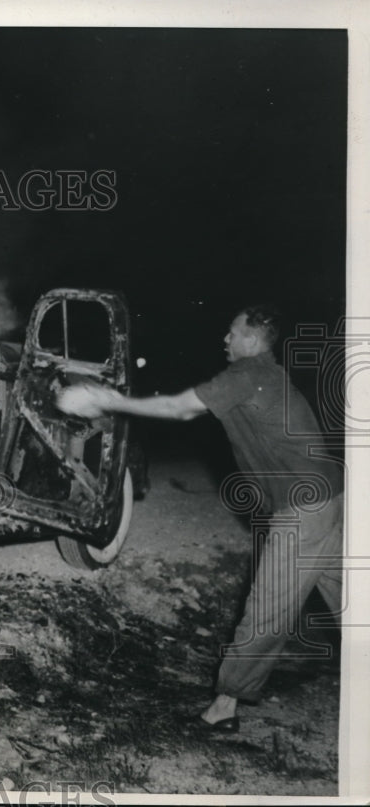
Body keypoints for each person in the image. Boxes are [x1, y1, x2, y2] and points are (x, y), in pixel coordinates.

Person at [56, 304, 344, 732]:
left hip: (305, 508)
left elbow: (180, 408)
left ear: (252, 339)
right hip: (335, 496)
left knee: (268, 606)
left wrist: (108, 400)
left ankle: (224, 707)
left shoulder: (247, 376)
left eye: (232, 333)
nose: (224, 340)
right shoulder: (269, 375)